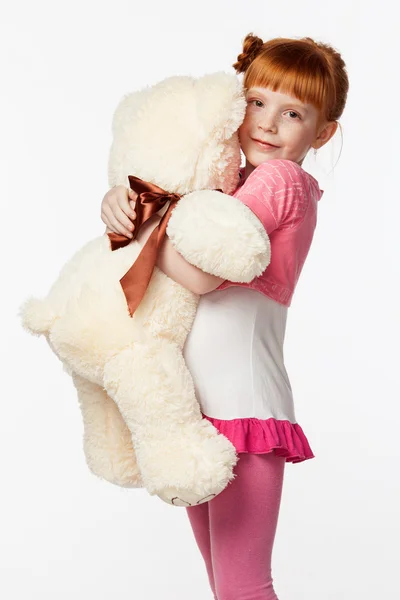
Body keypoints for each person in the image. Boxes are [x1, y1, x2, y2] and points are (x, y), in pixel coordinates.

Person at [101, 34, 349, 600]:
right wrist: (121, 204)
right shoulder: (232, 183)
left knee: (242, 587)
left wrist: (142, 225)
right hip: (204, 415)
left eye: (292, 113)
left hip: (241, 412)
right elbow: (174, 224)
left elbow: (204, 272)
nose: (267, 123)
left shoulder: (280, 180)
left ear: (323, 132)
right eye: (256, 103)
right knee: (227, 587)